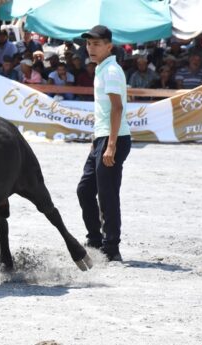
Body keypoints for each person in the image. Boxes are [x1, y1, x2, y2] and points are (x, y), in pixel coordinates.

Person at [78, 25, 132, 262]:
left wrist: (110, 145)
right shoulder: (102, 68)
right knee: (85, 190)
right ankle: (95, 240)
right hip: (103, 137)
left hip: (115, 138)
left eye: (97, 44)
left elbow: (117, 108)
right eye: (89, 44)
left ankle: (111, 248)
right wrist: (97, 139)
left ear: (109, 46)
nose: (91, 48)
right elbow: (104, 110)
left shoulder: (111, 70)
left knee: (107, 194)